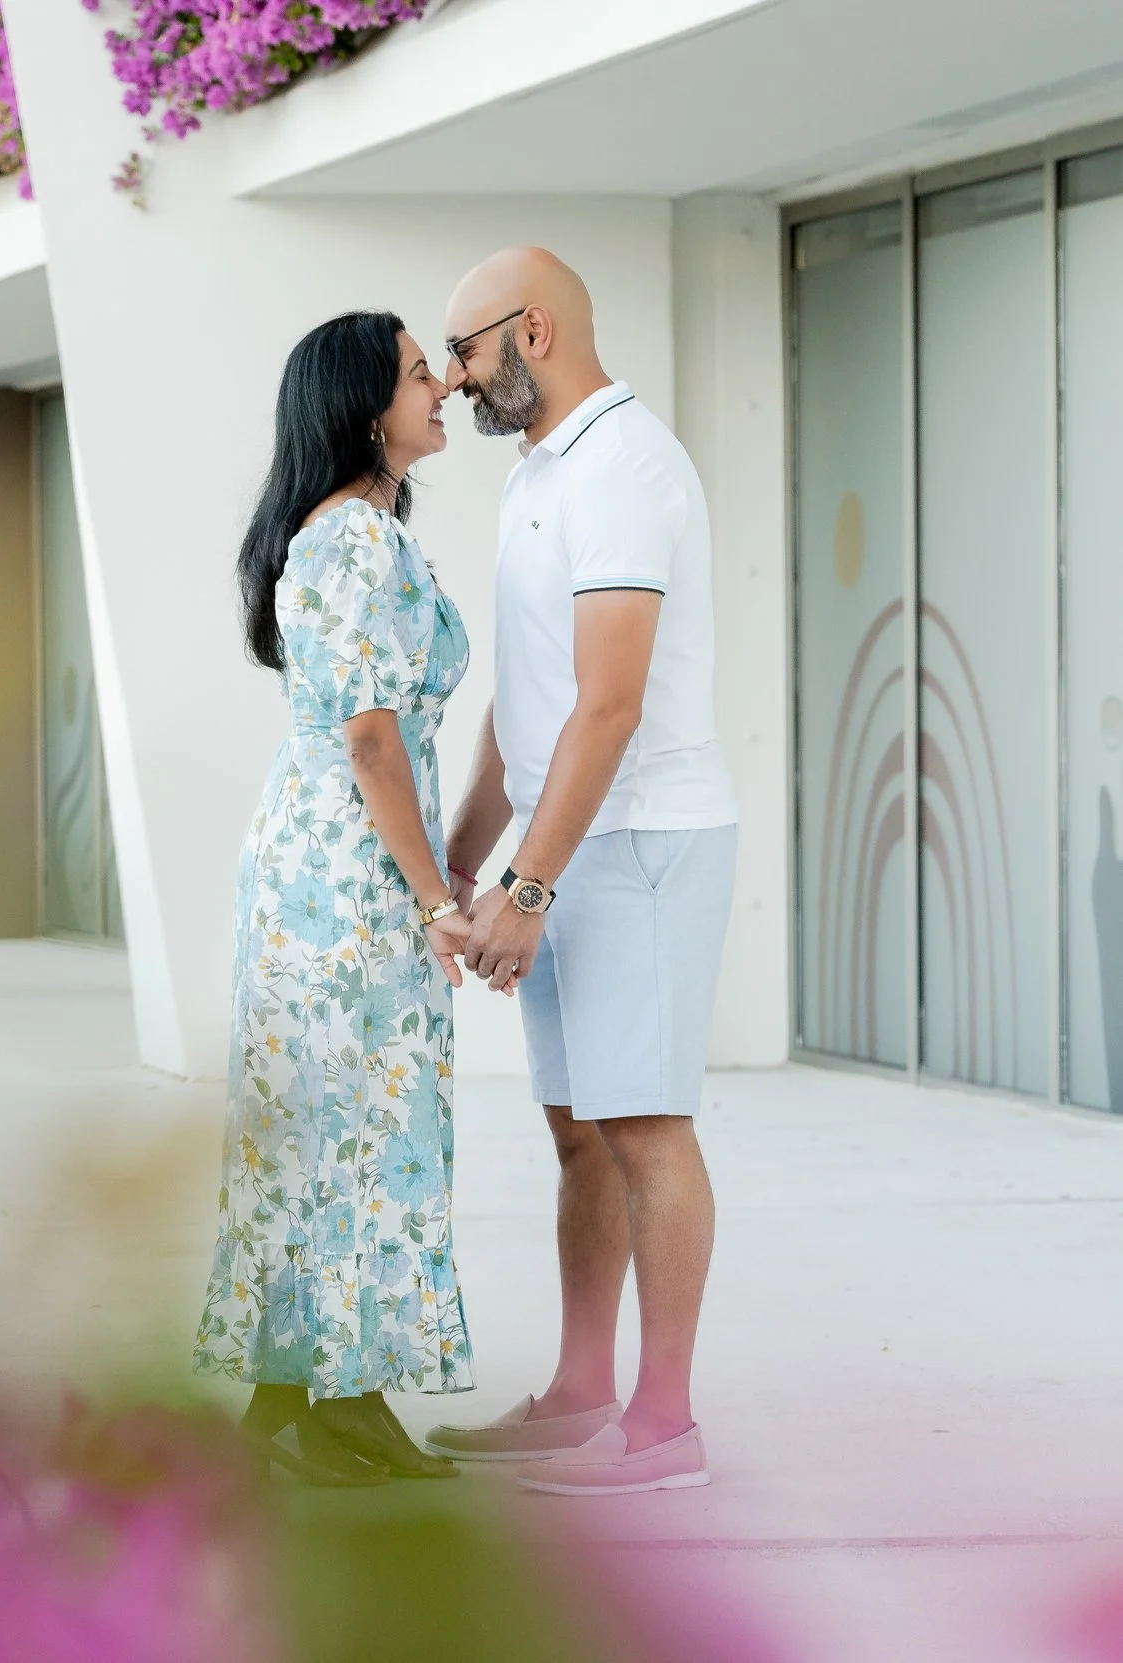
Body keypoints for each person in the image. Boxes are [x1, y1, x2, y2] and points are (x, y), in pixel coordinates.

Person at [423, 249, 739, 1496]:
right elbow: (530, 692)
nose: (452, 378)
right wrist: (465, 849)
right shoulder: (537, 474)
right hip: (567, 838)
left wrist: (529, 887)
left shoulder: (623, 467)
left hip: (643, 837)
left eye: (464, 350)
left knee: (644, 1130)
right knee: (578, 1136)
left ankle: (665, 1429)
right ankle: (581, 1390)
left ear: (532, 330)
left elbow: (607, 708)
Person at [195, 310, 476, 1487]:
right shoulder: (355, 540)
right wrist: (434, 898)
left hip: (313, 863)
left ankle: (281, 1396)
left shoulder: (336, 534)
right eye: (423, 373)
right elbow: (370, 737)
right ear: (366, 407)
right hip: (350, 876)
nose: (447, 383)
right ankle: (342, 1400)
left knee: (311, 1124)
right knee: (368, 1121)